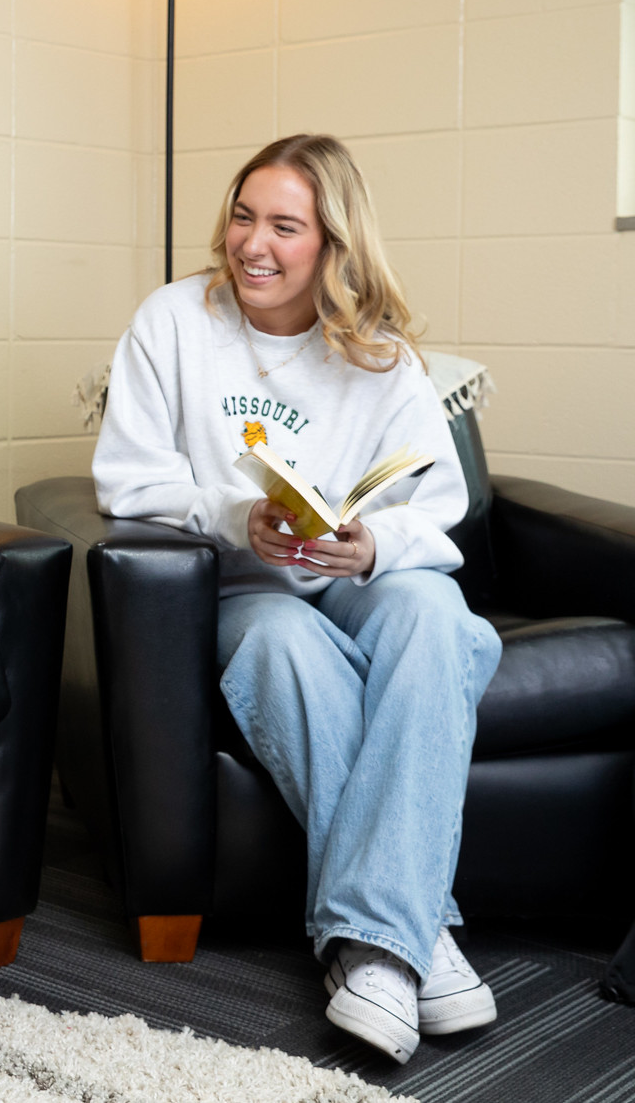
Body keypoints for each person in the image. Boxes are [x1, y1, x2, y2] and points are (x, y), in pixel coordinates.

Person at [91, 134, 502, 1065]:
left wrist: (368, 544)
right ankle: (411, 939)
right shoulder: (173, 323)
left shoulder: (383, 357)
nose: (253, 244)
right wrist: (239, 515)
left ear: (333, 246)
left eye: (284, 225)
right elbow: (128, 482)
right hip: (243, 585)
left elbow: (433, 508)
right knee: (285, 644)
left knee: (439, 618)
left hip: (354, 574)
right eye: (243, 216)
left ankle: (372, 945)